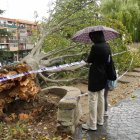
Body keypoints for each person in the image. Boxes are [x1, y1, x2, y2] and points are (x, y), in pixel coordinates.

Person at [82, 31, 116, 131]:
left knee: (92, 99)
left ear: (95, 37)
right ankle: (100, 121)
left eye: (92, 37)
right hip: (104, 74)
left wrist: (86, 58)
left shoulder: (95, 47)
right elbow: (108, 60)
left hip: (95, 75)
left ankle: (92, 124)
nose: (91, 39)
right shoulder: (107, 46)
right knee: (101, 97)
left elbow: (89, 60)